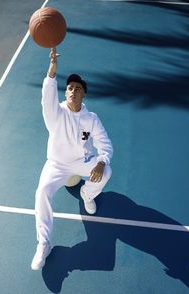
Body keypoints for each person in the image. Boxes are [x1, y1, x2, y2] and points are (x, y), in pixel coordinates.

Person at [31, 47, 113, 270]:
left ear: (83, 94)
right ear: (65, 92)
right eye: (69, 88)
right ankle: (43, 244)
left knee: (106, 172)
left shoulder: (92, 119)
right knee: (42, 192)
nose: (73, 91)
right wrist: (52, 70)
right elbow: (47, 95)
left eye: (77, 88)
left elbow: (105, 145)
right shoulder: (55, 113)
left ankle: (87, 195)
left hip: (81, 162)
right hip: (56, 164)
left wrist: (101, 161)